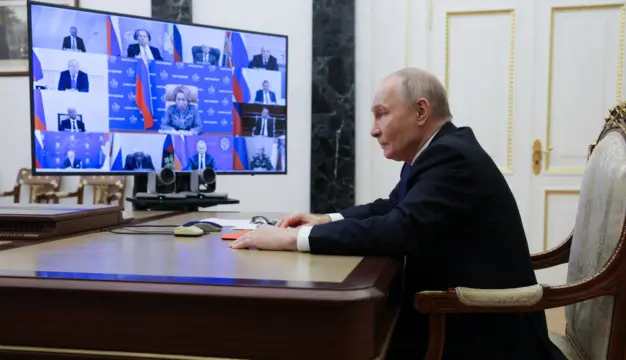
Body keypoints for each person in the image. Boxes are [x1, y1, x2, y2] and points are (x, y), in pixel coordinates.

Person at [228, 68, 568, 360]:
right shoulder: (439, 151)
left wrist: (292, 239)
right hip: (460, 315)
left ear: (421, 111)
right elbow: (392, 207)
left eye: (381, 114)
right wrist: (325, 219)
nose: (374, 129)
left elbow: (399, 229)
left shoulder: (451, 158)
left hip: (482, 332)